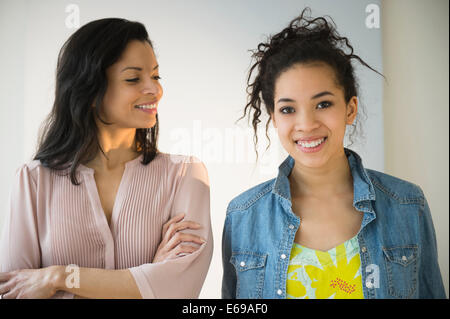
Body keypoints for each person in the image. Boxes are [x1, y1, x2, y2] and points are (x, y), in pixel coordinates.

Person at [221, 8, 445, 299]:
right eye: (288, 109)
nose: (306, 124)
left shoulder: (407, 205)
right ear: (275, 119)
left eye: (323, 104)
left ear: (350, 109)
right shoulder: (243, 216)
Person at [0, 18, 213, 299]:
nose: (155, 89)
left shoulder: (186, 174)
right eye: (133, 78)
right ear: (89, 90)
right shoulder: (33, 180)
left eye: (156, 76)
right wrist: (148, 276)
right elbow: (15, 291)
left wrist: (58, 277)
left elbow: (178, 291)